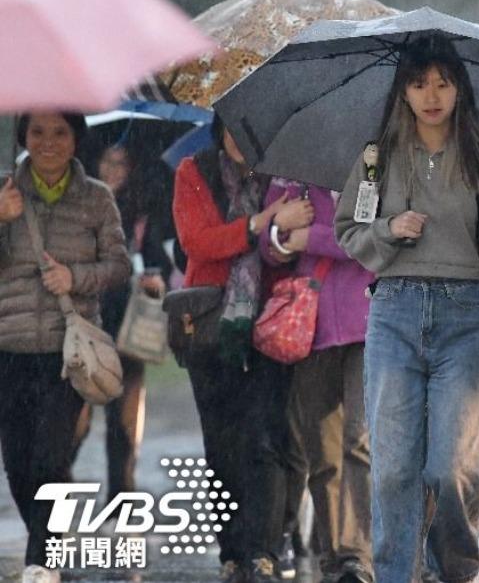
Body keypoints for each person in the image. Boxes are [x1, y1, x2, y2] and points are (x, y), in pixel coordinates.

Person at [334, 39, 479, 583]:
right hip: (393, 313)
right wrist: (388, 230)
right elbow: (348, 229)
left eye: (443, 82)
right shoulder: (378, 156)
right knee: (395, 468)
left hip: (463, 316)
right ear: (403, 90)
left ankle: (456, 568)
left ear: (460, 87)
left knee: (449, 468)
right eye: (420, 83)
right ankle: (399, 573)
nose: (432, 95)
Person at [0, 113, 131, 583]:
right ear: (23, 138)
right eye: (37, 132)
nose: (48, 143)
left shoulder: (97, 198)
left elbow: (118, 267)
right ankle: (50, 537)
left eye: (59, 132)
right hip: (8, 348)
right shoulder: (4, 192)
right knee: (17, 462)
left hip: (67, 352)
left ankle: (42, 561)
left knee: (50, 456)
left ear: (76, 138)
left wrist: (76, 279)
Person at [173, 121, 300, 582]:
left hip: (272, 320)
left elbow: (293, 240)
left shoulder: (284, 174)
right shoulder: (195, 171)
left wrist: (275, 235)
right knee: (222, 445)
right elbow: (197, 241)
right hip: (210, 325)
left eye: (250, 125)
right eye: (232, 125)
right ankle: (233, 551)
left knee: (267, 438)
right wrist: (255, 227)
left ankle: (264, 550)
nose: (239, 138)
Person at [260, 178, 374, 583]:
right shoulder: (291, 177)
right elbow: (270, 251)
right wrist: (279, 230)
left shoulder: (374, 169)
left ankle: (359, 554)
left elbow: (368, 241)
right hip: (311, 329)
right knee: (322, 453)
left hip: (370, 323)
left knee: (361, 442)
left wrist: (308, 237)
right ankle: (334, 555)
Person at [72, 142, 173, 501]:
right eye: (107, 161)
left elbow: (159, 258)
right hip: (85, 322)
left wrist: (156, 278)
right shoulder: (80, 206)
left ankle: (122, 495)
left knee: (125, 418)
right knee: (76, 417)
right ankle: (57, 484)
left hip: (128, 320)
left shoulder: (142, 212)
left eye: (122, 163)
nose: (113, 170)